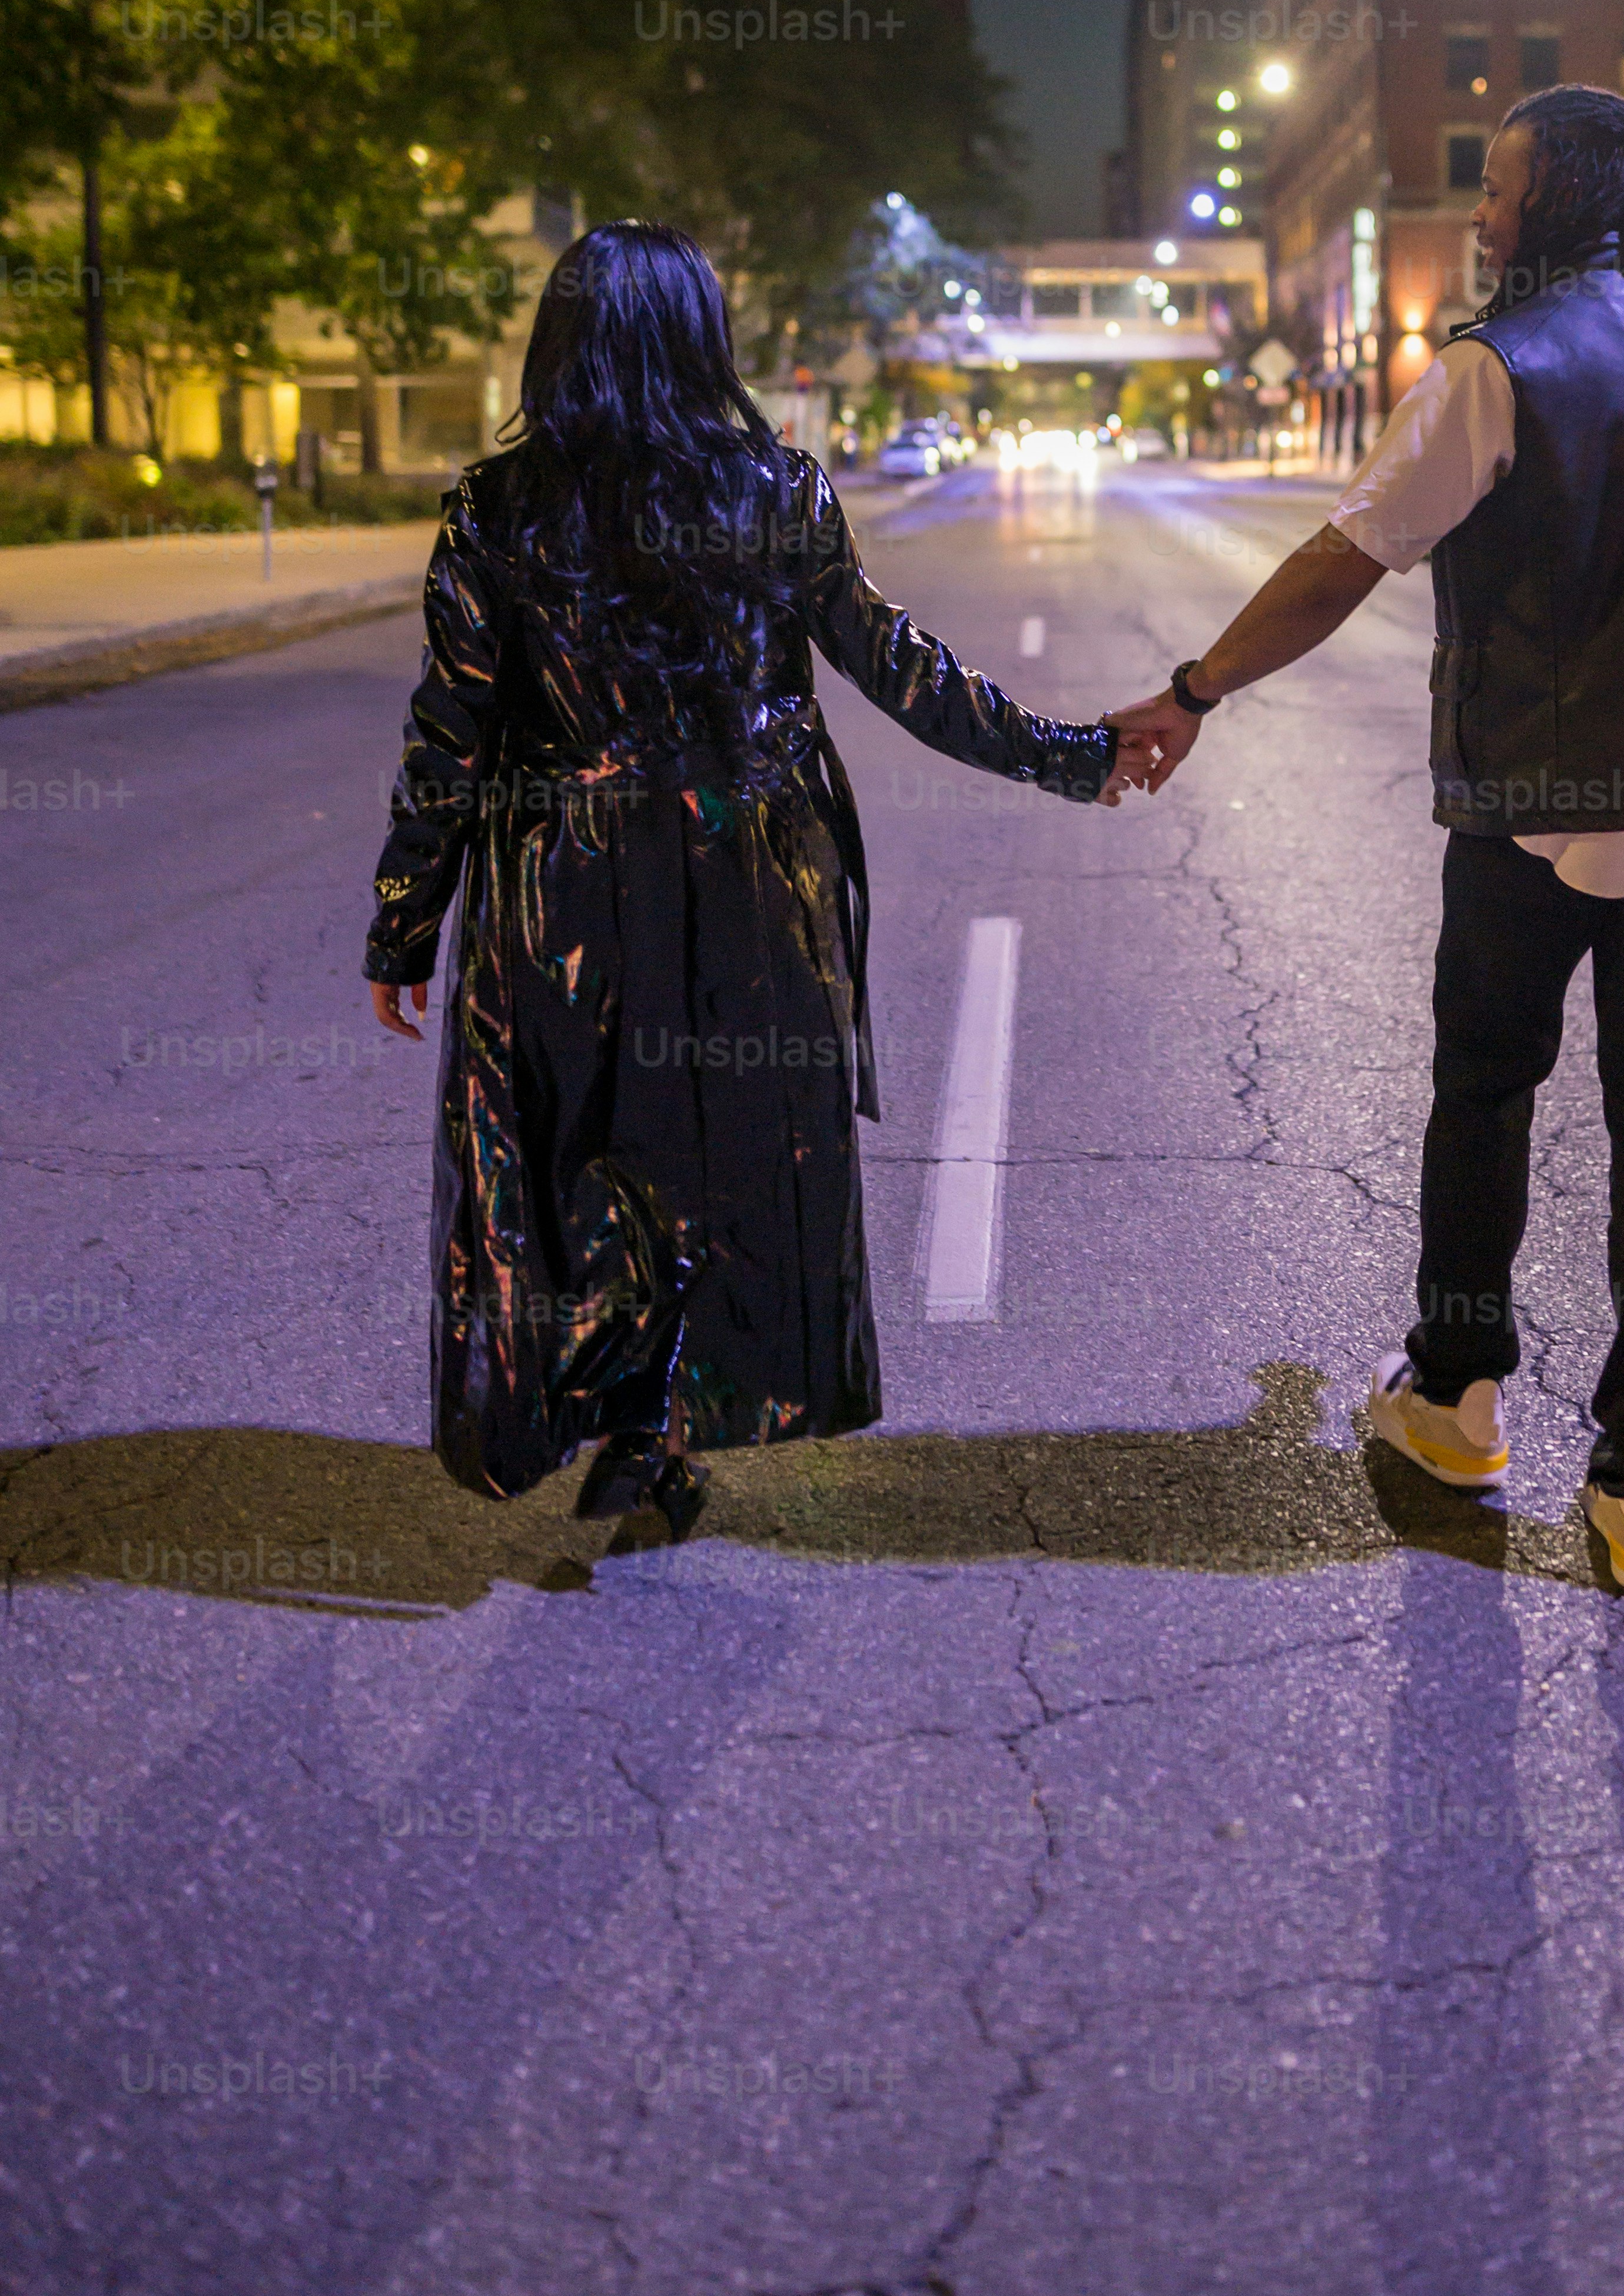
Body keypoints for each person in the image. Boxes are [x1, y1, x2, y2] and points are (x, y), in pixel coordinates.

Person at [1110, 90, 1624, 1595]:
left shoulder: (1501, 367)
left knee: (1485, 1090)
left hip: (1536, 806)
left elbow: (1343, 560)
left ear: (1551, 204)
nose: (1480, 220)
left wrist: (1190, 691)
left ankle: (1457, 1399)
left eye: (1494, 193)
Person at [365, 222, 1144, 1537]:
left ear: (557, 340)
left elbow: (449, 731)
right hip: (741, 873)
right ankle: (665, 1424)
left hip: (553, 878)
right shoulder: (770, 491)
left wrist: (403, 924)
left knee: (563, 1157)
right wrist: (1071, 756)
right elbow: (898, 668)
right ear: (697, 338)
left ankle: (592, 1405)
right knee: (721, 1160)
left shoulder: (497, 511)